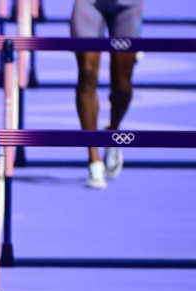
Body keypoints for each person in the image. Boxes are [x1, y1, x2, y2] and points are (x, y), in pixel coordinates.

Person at [72, 0, 144, 189]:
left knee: (122, 83)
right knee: (87, 73)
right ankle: (93, 159)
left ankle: (112, 132)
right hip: (88, 4)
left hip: (128, 5)